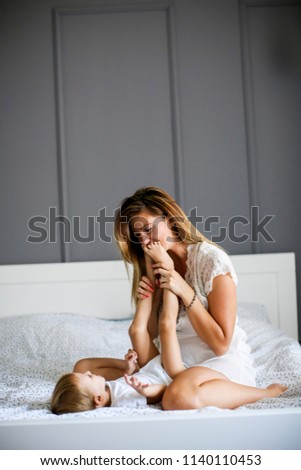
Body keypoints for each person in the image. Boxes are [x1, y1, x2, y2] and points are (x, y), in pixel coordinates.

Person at [114, 186, 288, 410]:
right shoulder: (155, 266)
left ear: (169, 218)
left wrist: (183, 289)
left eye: (149, 229)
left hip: (219, 364)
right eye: (139, 237)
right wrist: (152, 285)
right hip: (175, 363)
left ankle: (265, 392)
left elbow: (221, 344)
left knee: (177, 398)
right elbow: (151, 340)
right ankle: (167, 385)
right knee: (86, 374)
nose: (146, 241)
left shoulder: (211, 260)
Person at [51, 349, 171, 414]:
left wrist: (129, 369)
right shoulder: (122, 400)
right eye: (89, 377)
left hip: (151, 368)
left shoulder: (106, 390)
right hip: (165, 374)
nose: (88, 372)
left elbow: (122, 383)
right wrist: (145, 391)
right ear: (98, 399)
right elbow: (162, 392)